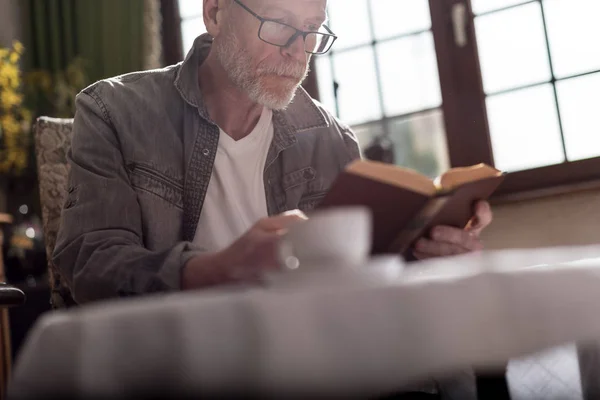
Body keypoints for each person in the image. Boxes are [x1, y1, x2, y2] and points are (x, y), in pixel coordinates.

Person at [54, 0, 492, 305]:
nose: (298, 50)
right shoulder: (113, 111)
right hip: (175, 363)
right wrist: (219, 268)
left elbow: (358, 284)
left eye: (312, 28)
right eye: (280, 22)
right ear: (215, 12)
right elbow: (89, 263)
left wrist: (428, 255)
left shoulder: (332, 140)